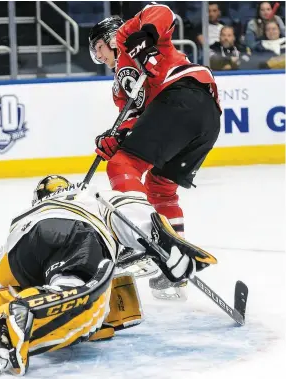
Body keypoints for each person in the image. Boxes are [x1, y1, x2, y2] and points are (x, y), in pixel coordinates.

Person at [0, 175, 216, 375]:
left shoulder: (27, 214)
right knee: (86, 305)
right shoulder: (89, 196)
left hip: (21, 247)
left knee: (28, 284)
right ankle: (1, 325)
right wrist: (164, 245)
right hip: (78, 231)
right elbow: (131, 212)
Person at [88, 2, 222, 300]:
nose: (98, 55)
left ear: (110, 37)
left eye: (98, 47)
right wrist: (115, 137)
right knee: (160, 189)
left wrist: (145, 36)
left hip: (181, 94)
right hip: (205, 117)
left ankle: (144, 238)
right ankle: (174, 271)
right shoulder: (119, 89)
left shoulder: (126, 37)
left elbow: (160, 11)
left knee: (121, 166)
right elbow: (135, 120)